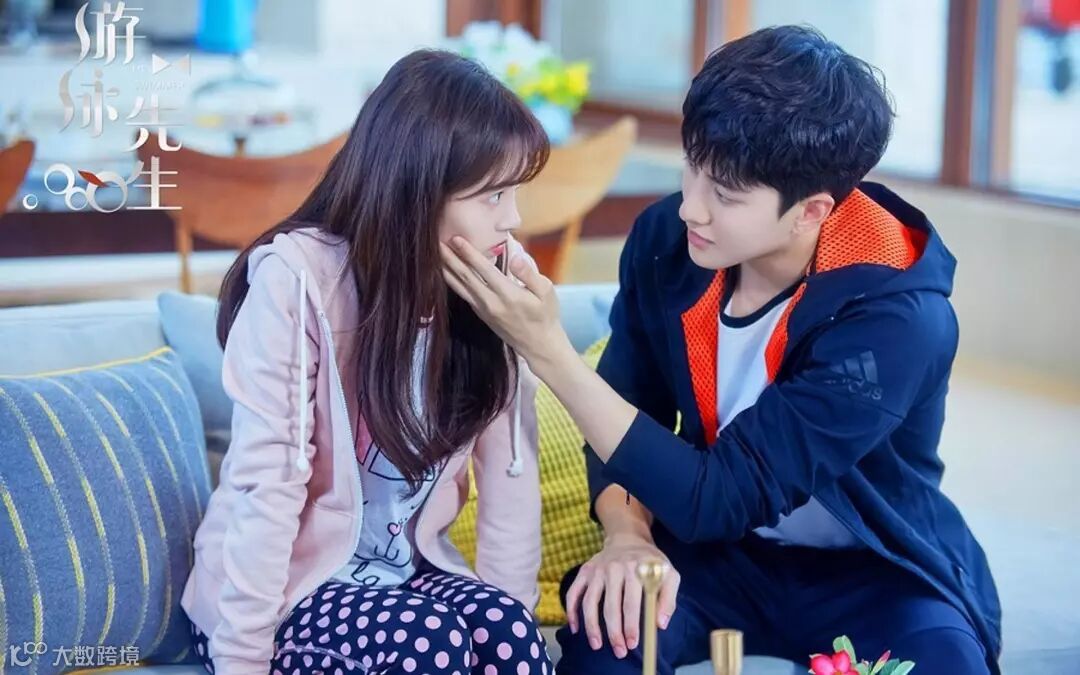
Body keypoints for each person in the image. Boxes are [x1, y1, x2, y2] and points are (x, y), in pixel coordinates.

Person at [441, 26, 1000, 675]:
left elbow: (720, 495)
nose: (692, 209)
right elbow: (628, 408)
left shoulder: (897, 321)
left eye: (726, 195)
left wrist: (548, 350)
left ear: (811, 211)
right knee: (605, 642)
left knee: (946, 664)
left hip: (873, 568)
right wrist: (627, 536)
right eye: (693, 167)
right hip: (715, 558)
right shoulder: (666, 240)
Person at [182, 50, 554, 675]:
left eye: (514, 192)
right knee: (428, 638)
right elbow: (267, 487)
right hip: (283, 595)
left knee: (510, 630)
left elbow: (509, 485)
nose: (513, 218)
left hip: (402, 581)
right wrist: (242, 658)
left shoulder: (493, 289)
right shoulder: (297, 282)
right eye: (493, 195)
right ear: (419, 191)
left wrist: (508, 624)